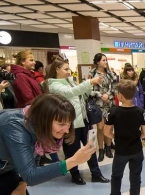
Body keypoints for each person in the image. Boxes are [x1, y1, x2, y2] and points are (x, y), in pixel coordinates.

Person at [43, 57, 109, 185]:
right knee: (71, 151)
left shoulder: (70, 81)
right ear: (57, 69)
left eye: (69, 69)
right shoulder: (53, 84)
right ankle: (75, 174)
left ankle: (96, 173)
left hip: (83, 119)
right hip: (69, 124)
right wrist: (89, 82)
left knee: (90, 147)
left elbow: (82, 94)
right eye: (66, 69)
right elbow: (71, 93)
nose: (69, 72)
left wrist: (91, 85)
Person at [103, 80, 145, 195]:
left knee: (116, 176)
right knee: (135, 177)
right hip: (136, 150)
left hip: (121, 151)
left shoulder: (113, 111)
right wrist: (136, 137)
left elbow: (106, 132)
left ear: (121, 96)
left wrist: (116, 136)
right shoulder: (140, 111)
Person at [88, 53, 118, 161]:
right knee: (100, 127)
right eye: (103, 60)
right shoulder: (91, 74)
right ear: (97, 62)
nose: (106, 62)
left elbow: (115, 88)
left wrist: (108, 95)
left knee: (109, 126)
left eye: (106, 60)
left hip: (109, 104)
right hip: (98, 104)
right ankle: (100, 149)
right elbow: (88, 89)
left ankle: (108, 148)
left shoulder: (111, 74)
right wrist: (100, 95)